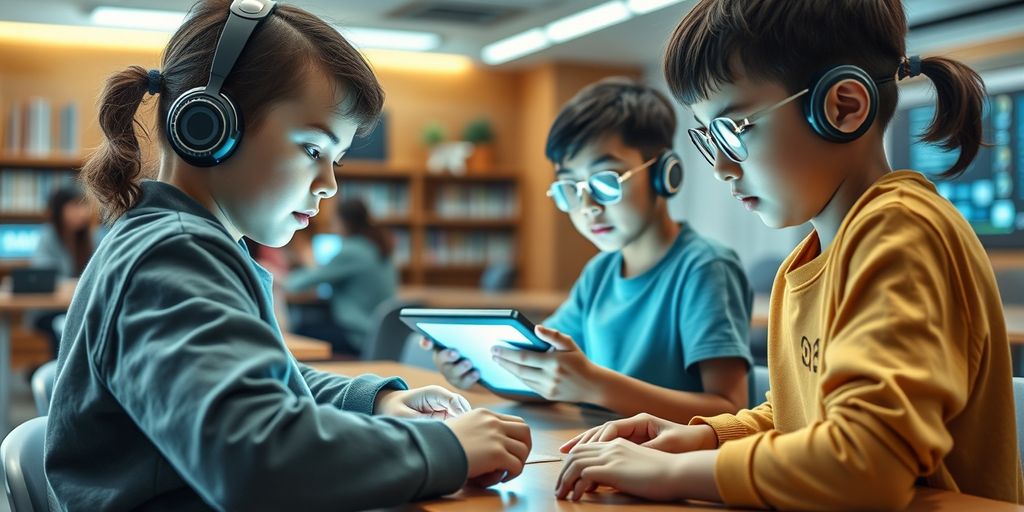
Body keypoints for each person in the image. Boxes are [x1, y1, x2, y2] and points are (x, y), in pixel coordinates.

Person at [45, 1, 530, 510]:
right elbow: (256, 457)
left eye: (336, 161)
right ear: (209, 125)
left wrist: (375, 402)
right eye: (313, 150)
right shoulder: (174, 254)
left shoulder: (179, 240)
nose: (329, 186)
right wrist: (446, 447)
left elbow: (263, 383)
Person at [555, 0, 1024, 508]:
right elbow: (800, 416)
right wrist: (708, 436)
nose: (721, 168)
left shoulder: (900, 230)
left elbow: (866, 462)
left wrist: (677, 474)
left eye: (733, 130)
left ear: (843, 107)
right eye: (709, 137)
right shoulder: (810, 257)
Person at [423, 77, 754, 423]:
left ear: (664, 173)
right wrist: (481, 370)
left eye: (606, 181)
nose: (588, 205)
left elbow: (729, 411)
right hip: (600, 453)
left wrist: (595, 386)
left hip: (667, 466)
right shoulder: (599, 273)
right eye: (570, 188)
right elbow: (553, 379)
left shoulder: (704, 268)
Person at [286, 198, 398, 355]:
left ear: (344, 222)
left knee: (299, 330)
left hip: (357, 334)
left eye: (334, 221)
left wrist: (298, 265)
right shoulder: (377, 246)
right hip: (376, 332)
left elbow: (297, 284)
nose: (333, 227)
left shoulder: (352, 251)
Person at [28, 185, 98, 356]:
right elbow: (43, 276)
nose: (82, 212)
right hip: (49, 310)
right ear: (60, 209)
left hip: (80, 307)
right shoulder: (48, 236)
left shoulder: (92, 237)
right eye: (74, 206)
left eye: (84, 205)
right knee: (66, 324)